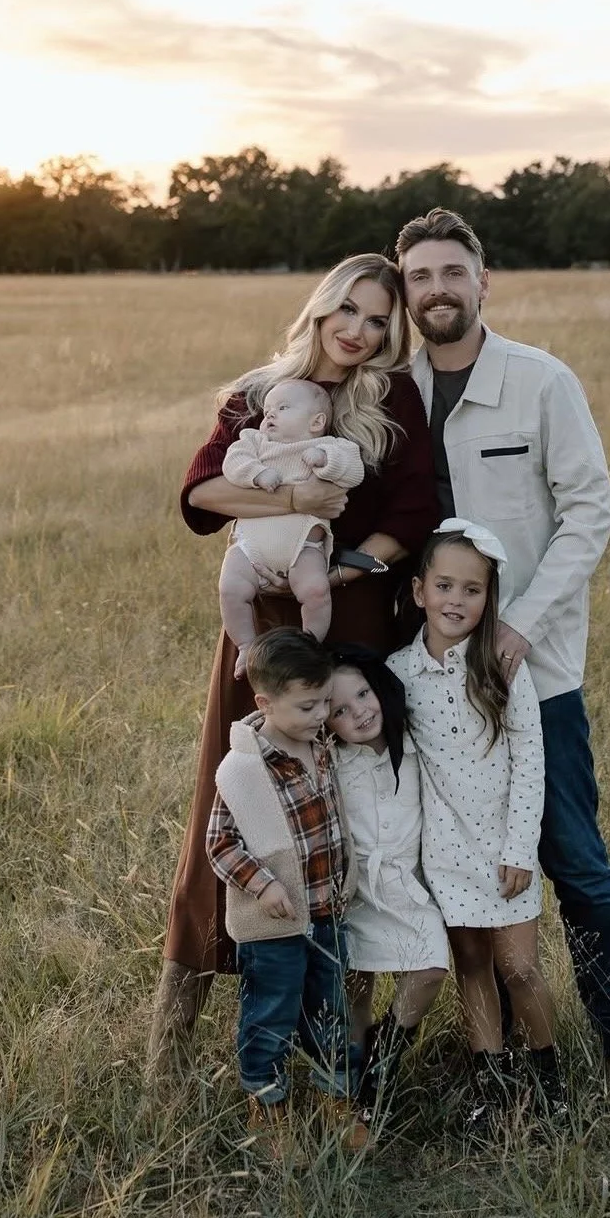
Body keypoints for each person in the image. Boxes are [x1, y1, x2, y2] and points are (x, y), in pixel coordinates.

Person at [395, 208, 610, 1113]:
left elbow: (592, 510)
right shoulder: (390, 393)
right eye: (419, 276)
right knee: (435, 864)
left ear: (483, 281)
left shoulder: (542, 382)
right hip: (427, 685)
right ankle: (485, 1062)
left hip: (533, 673)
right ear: (406, 290)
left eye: (450, 273)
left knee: (574, 864)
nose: (436, 289)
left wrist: (523, 626)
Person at [154, 254, 439, 1053]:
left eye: (379, 320)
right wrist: (291, 502)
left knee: (342, 808)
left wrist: (347, 564)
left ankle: (337, 1050)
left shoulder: (393, 399)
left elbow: (414, 513)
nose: (359, 331)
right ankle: (172, 1039)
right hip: (260, 626)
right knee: (234, 793)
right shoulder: (257, 393)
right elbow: (201, 494)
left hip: (351, 620)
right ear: (320, 310)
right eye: (348, 310)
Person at [387, 521, 564, 1130]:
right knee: (472, 966)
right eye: (444, 586)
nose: (456, 601)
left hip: (503, 847)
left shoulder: (501, 666)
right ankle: (491, 1086)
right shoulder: (400, 674)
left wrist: (521, 846)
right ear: (418, 592)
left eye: (472, 590)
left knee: (519, 967)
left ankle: (548, 1084)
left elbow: (530, 761)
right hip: (445, 851)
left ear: (490, 599)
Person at [205, 628, 366, 1150]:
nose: (320, 715)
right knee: (270, 1008)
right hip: (272, 921)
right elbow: (220, 843)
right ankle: (267, 1105)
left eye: (323, 703)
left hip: (327, 910)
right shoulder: (244, 768)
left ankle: (334, 1098)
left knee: (331, 1007)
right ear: (265, 703)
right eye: (306, 706)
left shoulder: (320, 748)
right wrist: (263, 884)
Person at [325, 642, 449, 1116]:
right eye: (340, 709)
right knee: (356, 990)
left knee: (430, 965)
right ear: (327, 721)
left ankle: (386, 1053)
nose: (358, 712)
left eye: (362, 694)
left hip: (404, 885)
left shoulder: (415, 748)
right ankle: (359, 1093)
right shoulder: (333, 761)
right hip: (354, 890)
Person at [219, 378, 365, 673]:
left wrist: (324, 459)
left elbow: (354, 471)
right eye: (268, 409)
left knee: (316, 591)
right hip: (250, 546)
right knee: (230, 587)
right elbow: (233, 462)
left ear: (316, 422)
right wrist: (257, 473)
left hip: (303, 547)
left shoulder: (331, 445)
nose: (270, 414)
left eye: (282, 408)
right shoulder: (255, 441)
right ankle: (246, 645)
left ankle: (311, 642)